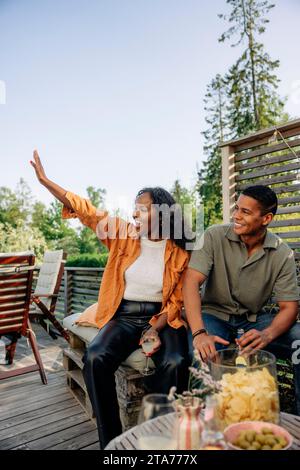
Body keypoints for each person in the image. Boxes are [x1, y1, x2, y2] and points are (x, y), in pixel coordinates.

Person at [30, 150, 191, 448]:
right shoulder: (122, 233)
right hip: (125, 316)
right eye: (134, 208)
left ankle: (164, 436)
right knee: (96, 358)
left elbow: (179, 299)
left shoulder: (180, 250)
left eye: (141, 209)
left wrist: (155, 328)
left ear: (163, 213)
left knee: (176, 361)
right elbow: (86, 209)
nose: (134, 214)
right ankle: (113, 443)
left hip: (165, 318)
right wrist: (46, 182)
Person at [183, 185, 300, 414]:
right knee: (203, 354)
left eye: (245, 212)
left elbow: (289, 308)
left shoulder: (282, 253)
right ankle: (211, 426)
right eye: (237, 208)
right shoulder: (214, 235)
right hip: (213, 317)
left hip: (254, 321)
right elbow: (190, 283)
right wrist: (199, 333)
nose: (236, 215)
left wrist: (267, 334)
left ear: (266, 218)